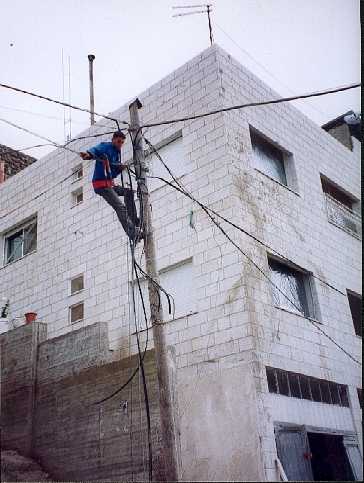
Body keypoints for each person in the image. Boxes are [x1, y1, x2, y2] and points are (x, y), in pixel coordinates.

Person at [79, 131, 142, 241]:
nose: (120, 144)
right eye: (118, 141)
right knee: (120, 207)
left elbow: (111, 172)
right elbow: (95, 151)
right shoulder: (106, 146)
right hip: (101, 185)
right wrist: (88, 154)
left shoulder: (117, 153)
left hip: (109, 184)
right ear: (113, 140)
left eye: (122, 143)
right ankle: (132, 233)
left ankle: (133, 221)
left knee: (129, 192)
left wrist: (119, 168)